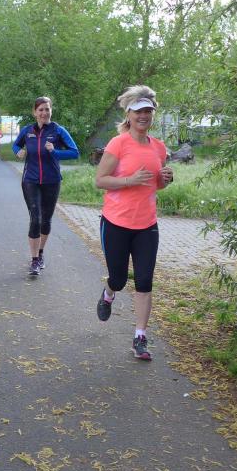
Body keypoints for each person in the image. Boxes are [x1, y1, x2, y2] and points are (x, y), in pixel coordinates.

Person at [94, 85, 173, 361]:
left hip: (146, 225)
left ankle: (140, 336)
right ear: (129, 115)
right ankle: (108, 293)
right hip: (116, 222)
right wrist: (129, 180)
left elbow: (155, 185)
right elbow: (100, 180)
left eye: (148, 111)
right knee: (118, 278)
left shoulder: (159, 148)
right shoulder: (119, 143)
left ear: (153, 115)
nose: (143, 116)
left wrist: (164, 180)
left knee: (144, 280)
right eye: (138, 111)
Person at [12, 96, 79, 275]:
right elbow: (16, 145)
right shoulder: (27, 131)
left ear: (51, 111)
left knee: (46, 219)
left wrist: (55, 151)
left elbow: (75, 152)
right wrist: (18, 151)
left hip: (51, 181)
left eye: (47, 109)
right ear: (35, 112)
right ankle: (34, 260)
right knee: (35, 217)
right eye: (40, 109)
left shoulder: (58, 131)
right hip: (30, 180)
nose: (44, 113)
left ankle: (41, 253)